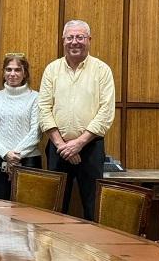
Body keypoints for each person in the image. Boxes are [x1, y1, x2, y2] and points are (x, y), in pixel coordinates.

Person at [38, 20, 115, 220]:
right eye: (70, 37)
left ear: (89, 40)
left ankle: (93, 251)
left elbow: (106, 111)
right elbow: (44, 109)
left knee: (92, 206)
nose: (75, 42)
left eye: (80, 37)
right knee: (55, 206)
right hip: (57, 148)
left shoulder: (102, 70)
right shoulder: (52, 70)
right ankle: (53, 251)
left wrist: (79, 143)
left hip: (90, 148)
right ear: (63, 40)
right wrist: (62, 145)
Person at [0, 53, 41, 200]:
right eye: (8, 69)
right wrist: (5, 154)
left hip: (28, 161)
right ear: (3, 72)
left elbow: (36, 131)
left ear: (25, 73)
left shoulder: (36, 97)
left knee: (27, 212)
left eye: (17, 70)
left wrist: (15, 155)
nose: (12, 74)